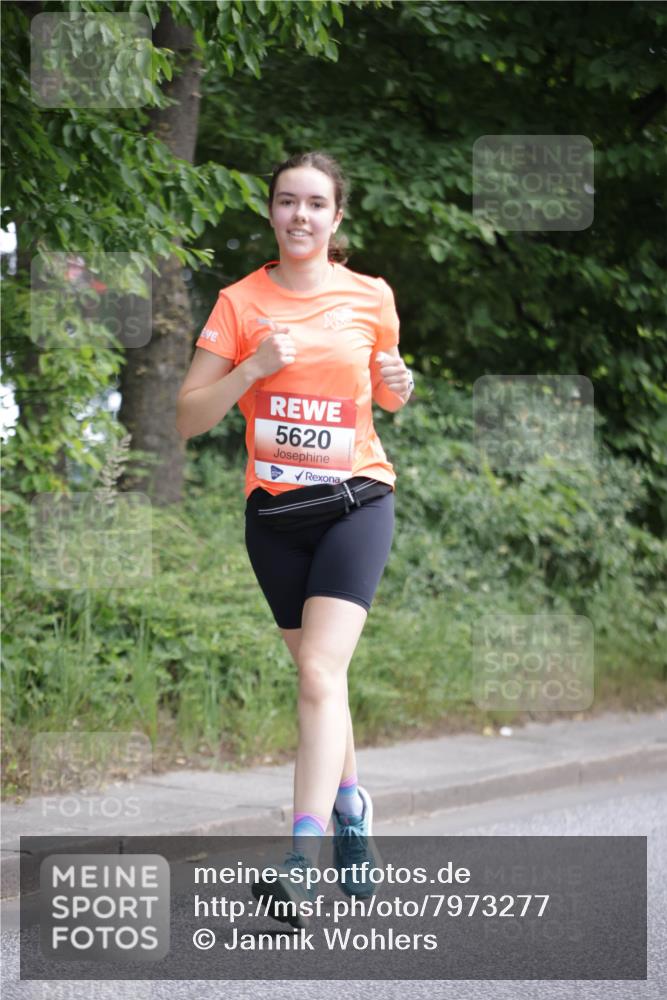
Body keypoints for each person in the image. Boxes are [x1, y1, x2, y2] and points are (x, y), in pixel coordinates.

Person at [176, 151, 414, 928]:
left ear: (336, 217)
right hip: (275, 517)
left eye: (316, 204)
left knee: (317, 672)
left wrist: (398, 385)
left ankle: (299, 859)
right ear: (271, 213)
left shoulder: (370, 295)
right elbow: (187, 417)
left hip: (355, 499)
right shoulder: (239, 303)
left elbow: (383, 391)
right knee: (322, 684)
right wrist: (250, 370)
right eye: (287, 202)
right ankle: (350, 804)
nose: (300, 216)